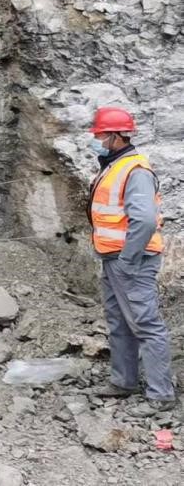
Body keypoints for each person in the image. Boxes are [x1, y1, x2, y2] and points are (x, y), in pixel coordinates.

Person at [87, 106, 176, 412]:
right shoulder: (114, 165)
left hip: (131, 260)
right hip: (114, 257)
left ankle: (160, 395)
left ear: (117, 136)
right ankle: (123, 381)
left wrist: (127, 259)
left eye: (100, 134)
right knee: (119, 322)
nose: (97, 139)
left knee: (145, 324)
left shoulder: (135, 170)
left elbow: (146, 220)